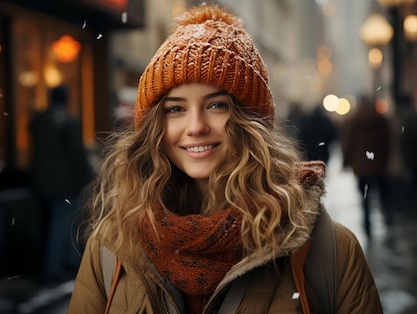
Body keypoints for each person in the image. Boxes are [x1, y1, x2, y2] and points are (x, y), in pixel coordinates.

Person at [68, 4, 382, 313]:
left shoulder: (329, 252)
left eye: (217, 105)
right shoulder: (113, 247)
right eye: (176, 109)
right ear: (154, 127)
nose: (196, 127)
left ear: (252, 122)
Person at [29, 85, 95, 282]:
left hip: (40, 181)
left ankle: (54, 263)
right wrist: (88, 176)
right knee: (62, 223)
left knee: (50, 223)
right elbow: (77, 155)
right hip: (65, 182)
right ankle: (59, 264)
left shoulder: (38, 121)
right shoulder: (69, 122)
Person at [341, 95, 391, 240]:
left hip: (361, 167)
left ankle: (368, 227)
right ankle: (388, 220)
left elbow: (349, 143)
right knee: (383, 196)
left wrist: (346, 162)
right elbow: (387, 143)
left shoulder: (354, 121)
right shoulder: (381, 120)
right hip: (379, 166)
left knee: (365, 198)